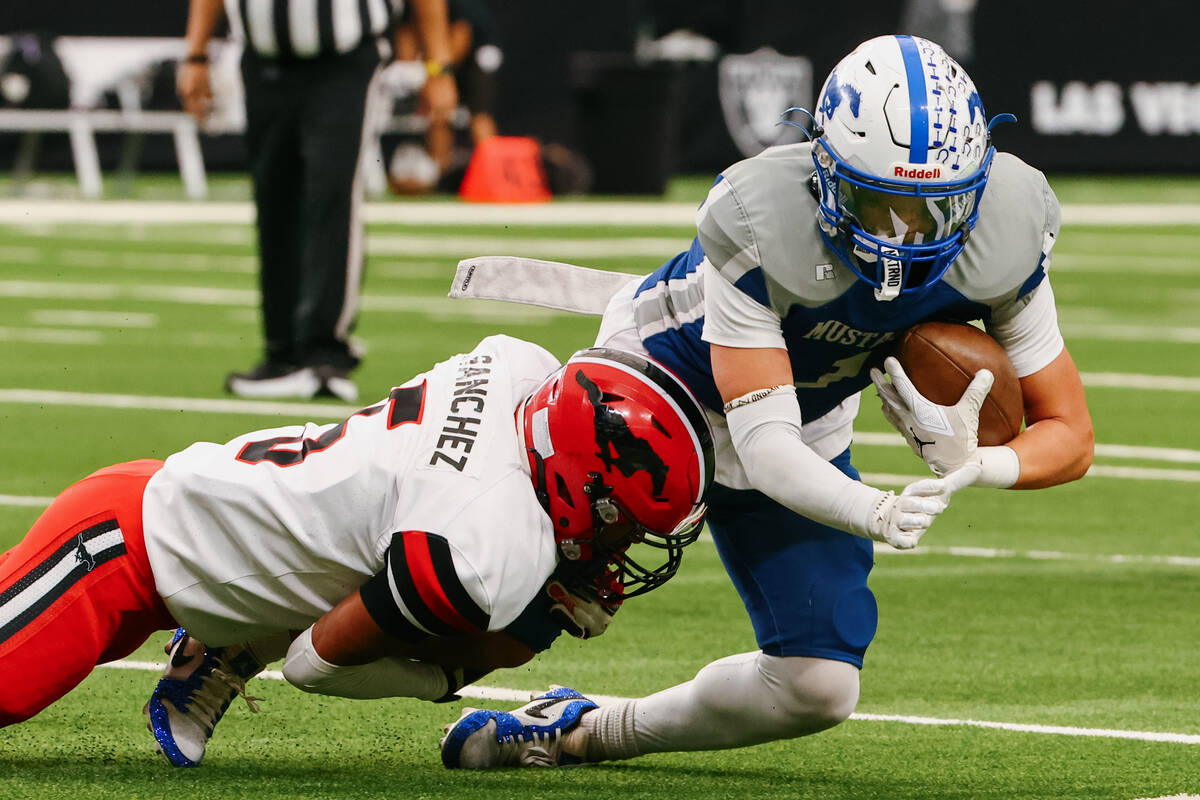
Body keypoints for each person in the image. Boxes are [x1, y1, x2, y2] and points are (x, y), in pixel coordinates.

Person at [438, 34, 1094, 768]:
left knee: (819, 687)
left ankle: (588, 729)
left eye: (933, 212)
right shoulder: (763, 216)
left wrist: (981, 463)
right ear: (825, 171)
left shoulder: (1006, 228)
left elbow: (1070, 432)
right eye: (877, 205)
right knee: (477, 625)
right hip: (655, 392)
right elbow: (764, 448)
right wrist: (872, 510)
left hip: (805, 414)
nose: (902, 240)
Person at [0, 336, 716, 770]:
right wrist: (449, 678)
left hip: (180, 533)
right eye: (622, 523)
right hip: (120, 545)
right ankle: (232, 648)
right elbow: (315, 664)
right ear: (574, 478)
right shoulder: (483, 541)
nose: (623, 546)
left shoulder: (518, 369)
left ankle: (224, 645)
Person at [177, 0, 458, 402]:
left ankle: (326, 352)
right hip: (263, 59)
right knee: (273, 201)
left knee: (331, 193)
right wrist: (196, 52)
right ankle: (282, 353)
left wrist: (438, 66)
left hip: (344, 62)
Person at [387, 0, 502, 195]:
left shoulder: (458, 8)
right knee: (437, 111)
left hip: (476, 53)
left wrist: (440, 75)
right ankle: (439, 176)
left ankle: (496, 178)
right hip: (438, 57)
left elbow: (462, 34)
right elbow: (406, 32)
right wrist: (415, 71)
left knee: (480, 117)